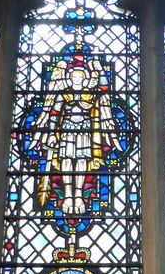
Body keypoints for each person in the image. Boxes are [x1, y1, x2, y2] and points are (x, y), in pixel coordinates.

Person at [28, 54, 123, 217]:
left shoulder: (90, 93)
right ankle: (68, 196)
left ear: (84, 78)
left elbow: (104, 88)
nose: (77, 79)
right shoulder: (64, 93)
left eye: (80, 76)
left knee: (81, 161)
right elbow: (54, 113)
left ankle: (78, 195)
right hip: (67, 129)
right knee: (66, 161)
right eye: (74, 76)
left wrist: (98, 69)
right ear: (70, 78)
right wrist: (52, 134)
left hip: (85, 129)